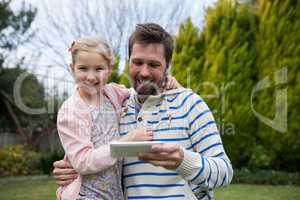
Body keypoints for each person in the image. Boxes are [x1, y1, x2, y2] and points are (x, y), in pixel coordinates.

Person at [54, 23, 233, 200]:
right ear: (128, 61)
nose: (144, 72)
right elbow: (93, 146)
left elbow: (225, 172)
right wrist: (71, 167)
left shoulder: (190, 104)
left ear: (167, 66)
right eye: (137, 62)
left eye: (154, 64)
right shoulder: (120, 107)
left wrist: (183, 161)